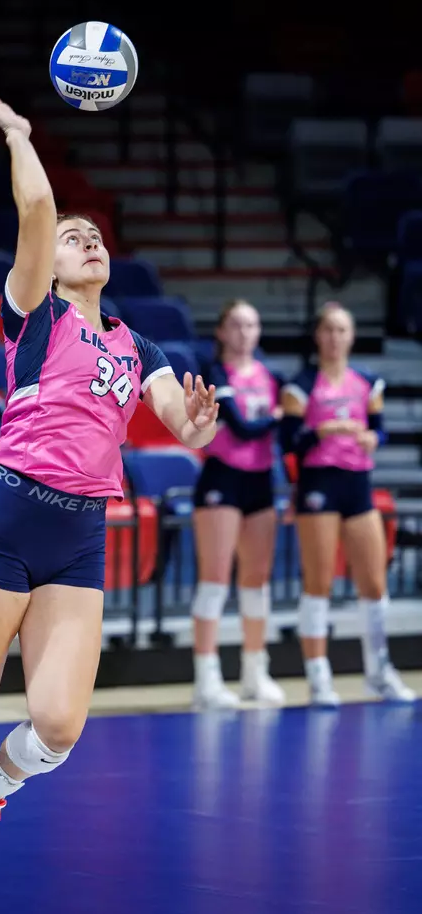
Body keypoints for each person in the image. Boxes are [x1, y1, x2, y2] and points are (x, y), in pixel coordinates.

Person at [0, 81, 219, 876]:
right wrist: (16, 133)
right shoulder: (33, 312)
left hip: (79, 533)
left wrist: (197, 425)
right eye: (75, 238)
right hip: (7, 515)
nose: (87, 242)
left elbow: (177, 424)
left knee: (58, 725)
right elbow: (38, 211)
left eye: (95, 237)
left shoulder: (140, 346)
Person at [281, 302, 414, 706]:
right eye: (329, 330)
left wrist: (374, 439)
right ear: (318, 336)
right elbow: (288, 442)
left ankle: (379, 669)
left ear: (351, 337)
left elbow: (378, 430)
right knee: (319, 582)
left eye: (342, 330)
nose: (335, 338)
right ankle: (318, 676)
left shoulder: (367, 383)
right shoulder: (301, 386)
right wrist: (322, 430)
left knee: (374, 582)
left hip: (358, 483)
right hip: (319, 483)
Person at [190, 299, 286, 710]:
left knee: (256, 581)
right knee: (215, 579)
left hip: (261, 482)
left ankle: (253, 671)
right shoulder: (215, 373)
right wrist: (280, 417)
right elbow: (244, 428)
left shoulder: (271, 378)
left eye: (252, 324)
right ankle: (206, 678)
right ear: (222, 332)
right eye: (237, 325)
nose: (245, 332)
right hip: (222, 480)